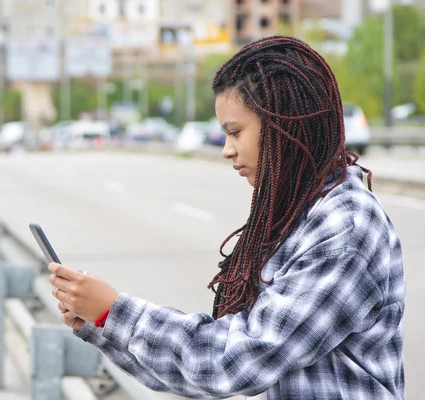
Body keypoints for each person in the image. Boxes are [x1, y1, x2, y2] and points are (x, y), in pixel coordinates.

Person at [48, 36, 405, 399]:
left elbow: (238, 360)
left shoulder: (343, 230)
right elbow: (206, 370)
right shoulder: (297, 213)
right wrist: (103, 320)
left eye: (235, 132)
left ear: (285, 124)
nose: (226, 150)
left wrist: (115, 313)